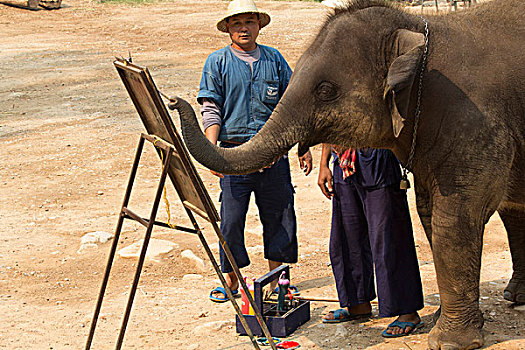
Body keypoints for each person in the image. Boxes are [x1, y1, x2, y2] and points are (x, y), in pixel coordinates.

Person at [197, 0, 312, 303]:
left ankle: (279, 281)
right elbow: (211, 108)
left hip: (273, 155)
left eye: (249, 22)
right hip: (233, 154)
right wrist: (211, 150)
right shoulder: (217, 62)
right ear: (229, 30)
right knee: (231, 220)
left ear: (259, 26)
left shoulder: (274, 60)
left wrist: (302, 145)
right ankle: (232, 280)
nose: (244, 28)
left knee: (280, 215)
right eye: (237, 23)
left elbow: (293, 106)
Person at [317, 144, 424, 337]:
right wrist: (324, 163)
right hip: (343, 162)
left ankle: (407, 312)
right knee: (347, 237)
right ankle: (357, 303)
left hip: (376, 159)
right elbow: (328, 116)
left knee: (388, 238)